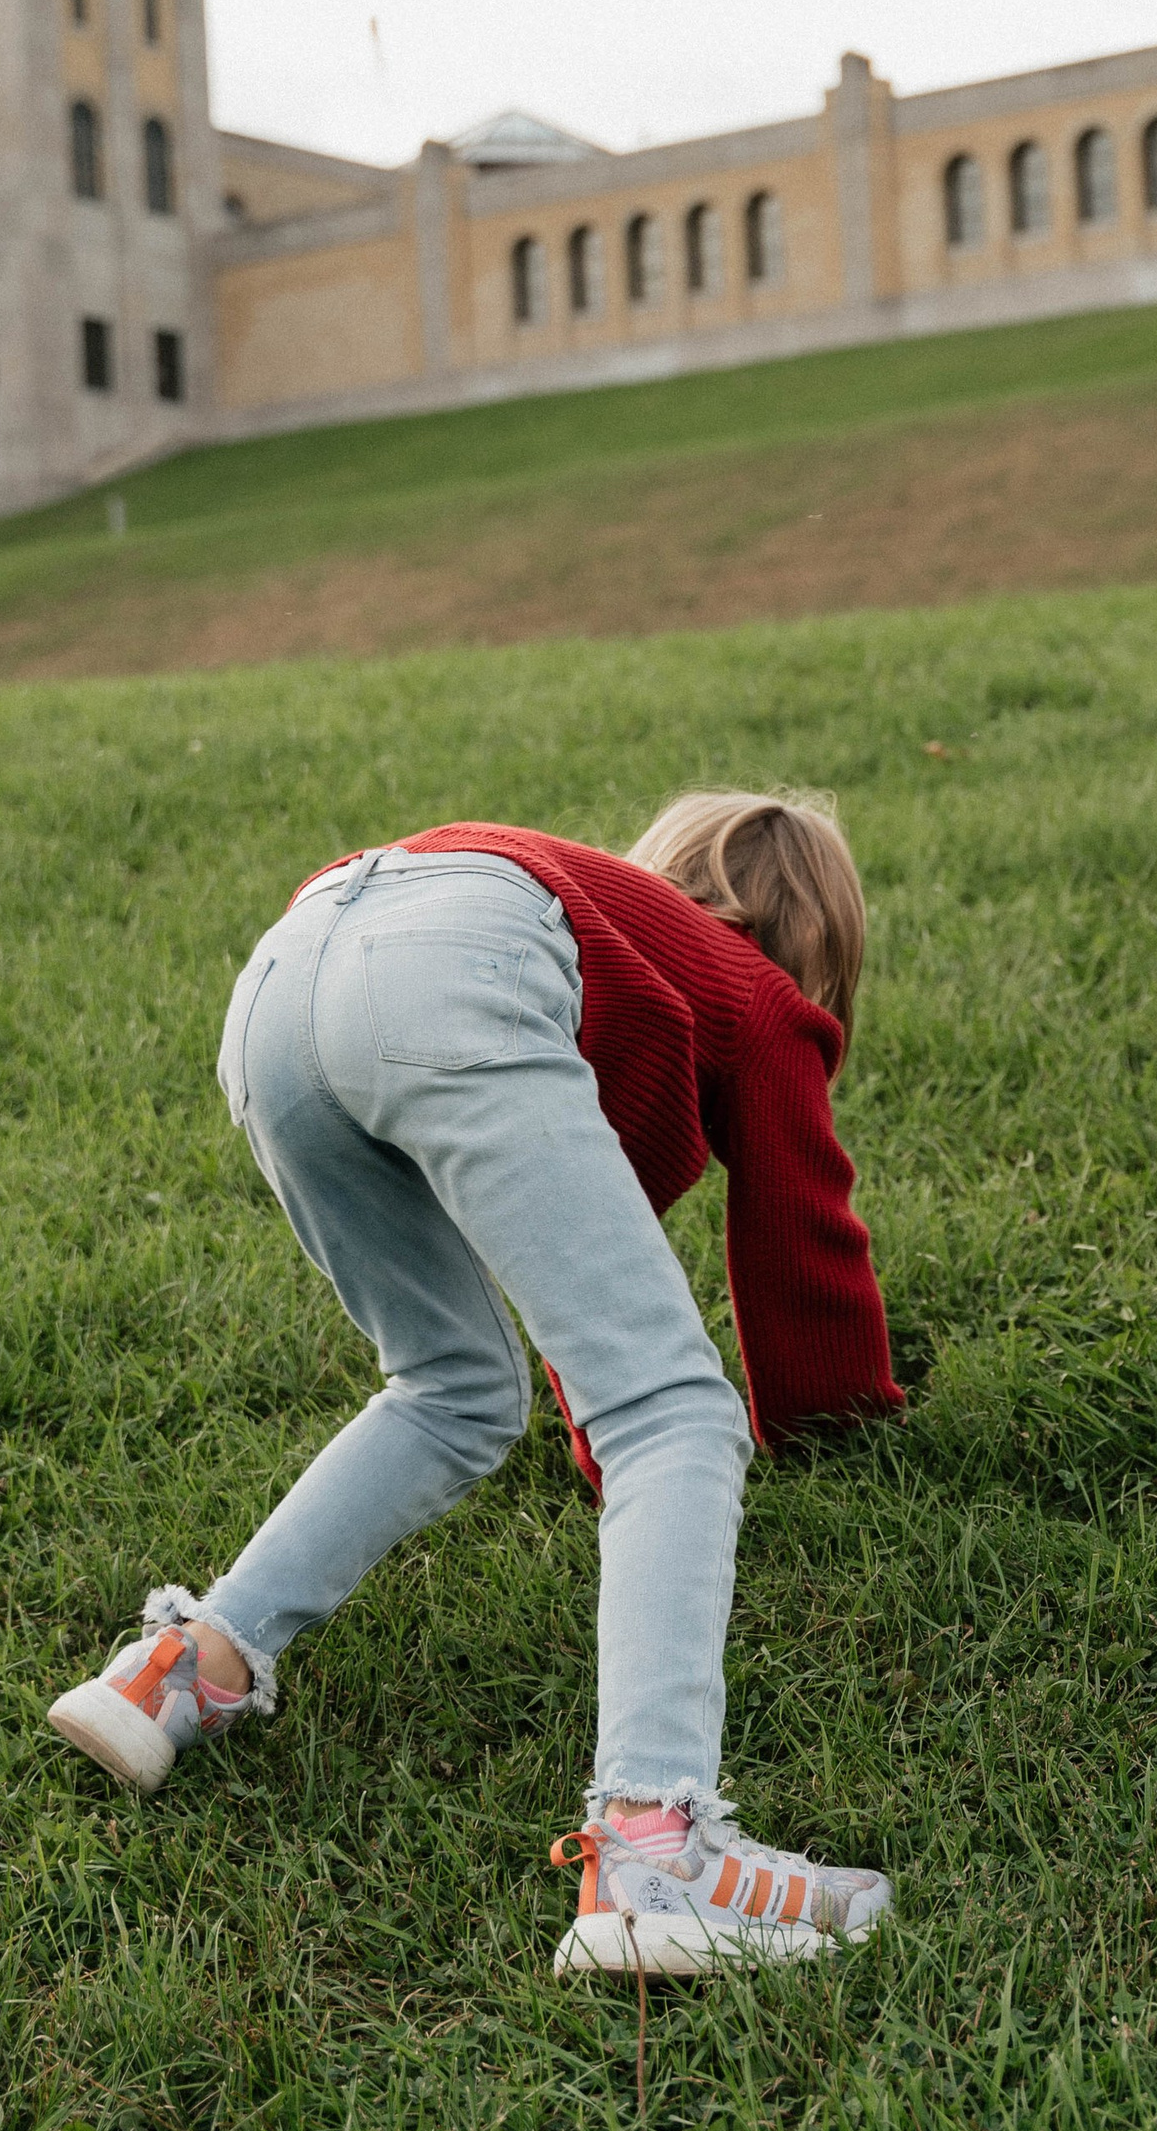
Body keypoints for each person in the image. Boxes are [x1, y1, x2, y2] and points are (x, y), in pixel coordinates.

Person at [48, 793, 904, 1973]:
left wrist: (600, 1434)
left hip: (287, 974)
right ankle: (658, 1849)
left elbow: (565, 1271)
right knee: (677, 1412)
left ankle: (190, 1661)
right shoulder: (757, 997)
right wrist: (836, 1419)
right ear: (810, 959)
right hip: (453, 965)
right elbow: (803, 1241)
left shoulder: (623, 942)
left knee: (449, 1381)